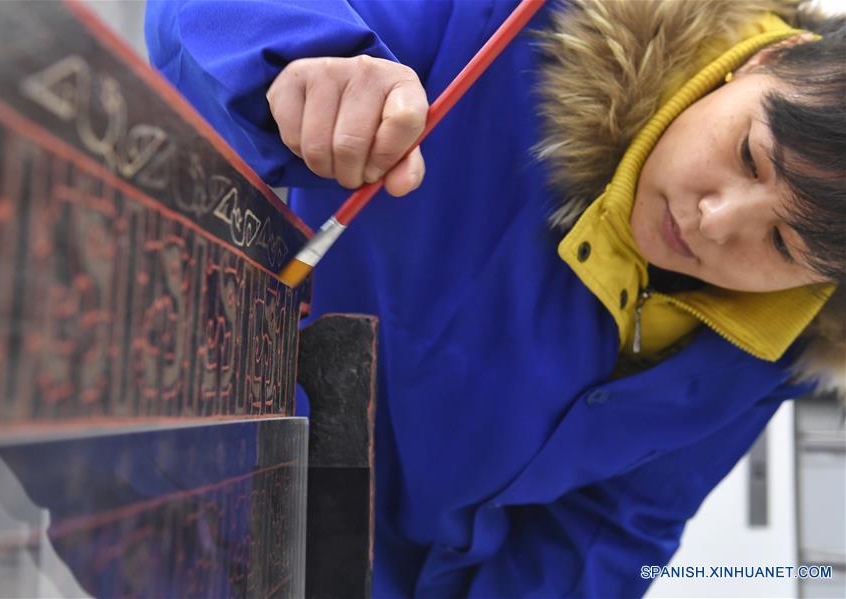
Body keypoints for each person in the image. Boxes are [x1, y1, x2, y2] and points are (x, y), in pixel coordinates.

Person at [145, 0, 845, 596]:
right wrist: (299, 62)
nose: (714, 220)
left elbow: (607, 532)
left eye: (781, 244)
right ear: (769, 58)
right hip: (169, 462)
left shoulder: (764, 354)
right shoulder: (513, 28)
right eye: (749, 155)